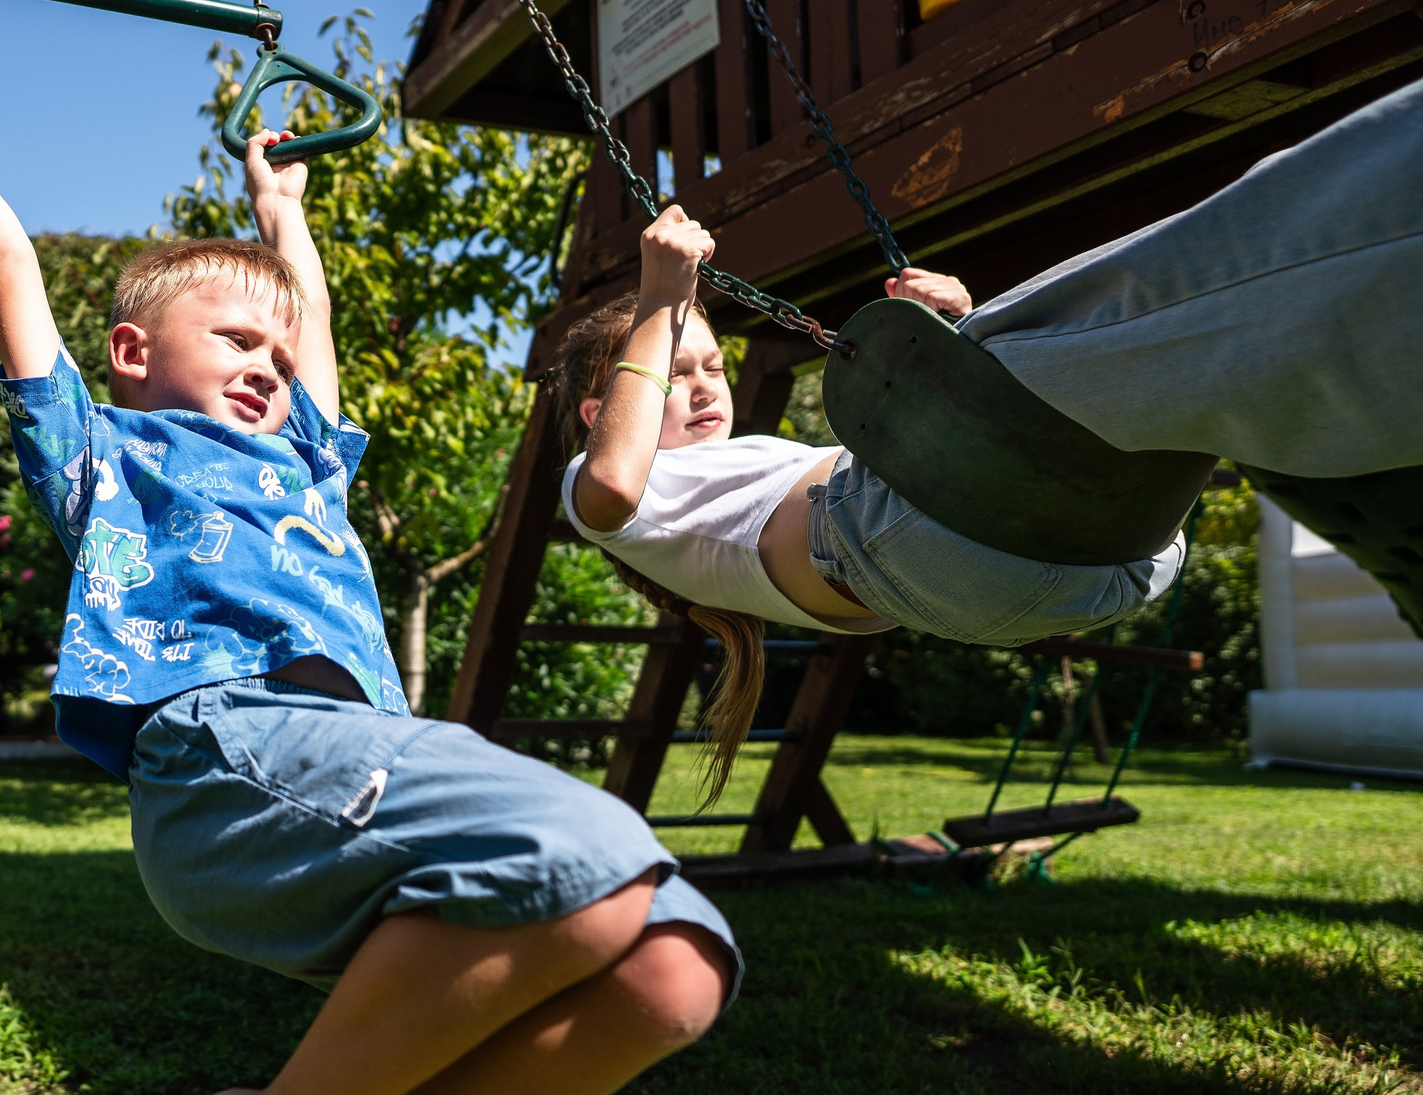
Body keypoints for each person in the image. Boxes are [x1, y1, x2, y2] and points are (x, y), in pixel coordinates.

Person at [0, 73, 739, 1095]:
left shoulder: (305, 459)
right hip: (224, 762)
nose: (265, 362)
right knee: (584, 853)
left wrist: (282, 217)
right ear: (129, 355)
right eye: (230, 338)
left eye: (277, 352)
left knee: (676, 961)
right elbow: (10, 273)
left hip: (357, 763)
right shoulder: (105, 456)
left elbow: (317, 341)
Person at [566, 78, 1423, 792]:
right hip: (907, 540)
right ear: (599, 413)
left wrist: (957, 347)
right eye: (675, 370)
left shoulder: (720, 499)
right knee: (1196, 275)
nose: (704, 383)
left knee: (1197, 352)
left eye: (711, 366)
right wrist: (658, 303)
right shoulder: (612, 488)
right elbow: (612, 488)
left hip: (1091, 559)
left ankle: (1369, 471)